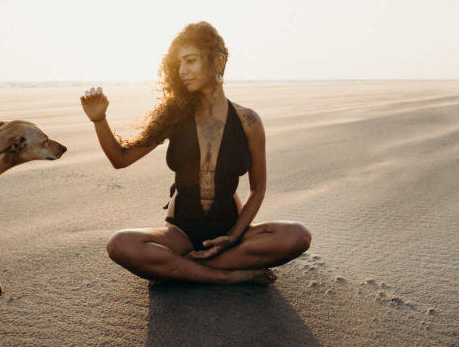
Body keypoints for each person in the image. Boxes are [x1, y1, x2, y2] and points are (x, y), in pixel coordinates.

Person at [80, 21, 311, 285]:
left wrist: (234, 236)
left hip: (230, 231)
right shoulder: (175, 116)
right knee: (120, 244)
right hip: (180, 233)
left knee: (297, 235)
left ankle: (183, 268)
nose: (182, 71)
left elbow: (258, 189)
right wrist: (99, 120)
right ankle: (223, 276)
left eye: (190, 61)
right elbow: (120, 159)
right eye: (178, 64)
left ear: (219, 62)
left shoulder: (249, 122)